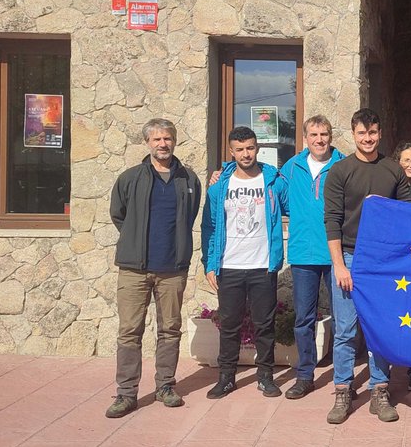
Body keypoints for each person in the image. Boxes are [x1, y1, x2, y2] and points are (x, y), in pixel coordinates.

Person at [323, 108, 411, 424]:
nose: (368, 138)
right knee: (346, 329)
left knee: (380, 329)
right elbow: (332, 221)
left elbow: (407, 217)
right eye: (362, 133)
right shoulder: (339, 172)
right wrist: (339, 266)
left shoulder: (393, 170)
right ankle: (343, 390)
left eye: (372, 133)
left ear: (380, 133)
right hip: (348, 257)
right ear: (353, 134)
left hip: (384, 263)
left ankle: (379, 390)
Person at [106, 119, 202, 418]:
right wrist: (137, 241)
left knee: (170, 330)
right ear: (147, 143)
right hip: (134, 268)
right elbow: (118, 214)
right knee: (129, 332)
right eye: (157, 139)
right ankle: (126, 393)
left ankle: (165, 386)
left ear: (175, 141)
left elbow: (190, 216)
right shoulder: (130, 178)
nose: (163, 144)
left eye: (168, 138)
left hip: (172, 268)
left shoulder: (188, 179)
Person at [201, 126, 287, 400]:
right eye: (239, 149)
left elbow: (294, 207)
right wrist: (210, 264)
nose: (246, 153)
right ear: (231, 151)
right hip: (230, 265)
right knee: (229, 325)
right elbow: (210, 227)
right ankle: (226, 378)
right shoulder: (219, 187)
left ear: (257, 147)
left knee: (265, 324)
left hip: (263, 265)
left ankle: (265, 377)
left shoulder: (273, 180)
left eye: (250, 148)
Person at [274, 116, 345, 400]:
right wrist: (225, 172)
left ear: (330, 136)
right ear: (305, 138)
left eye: (324, 134)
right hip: (304, 253)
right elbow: (275, 193)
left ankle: (344, 376)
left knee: (343, 319)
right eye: (314, 134)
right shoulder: (291, 168)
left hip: (338, 254)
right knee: (304, 319)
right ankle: (304, 375)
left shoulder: (343, 165)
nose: (319, 139)